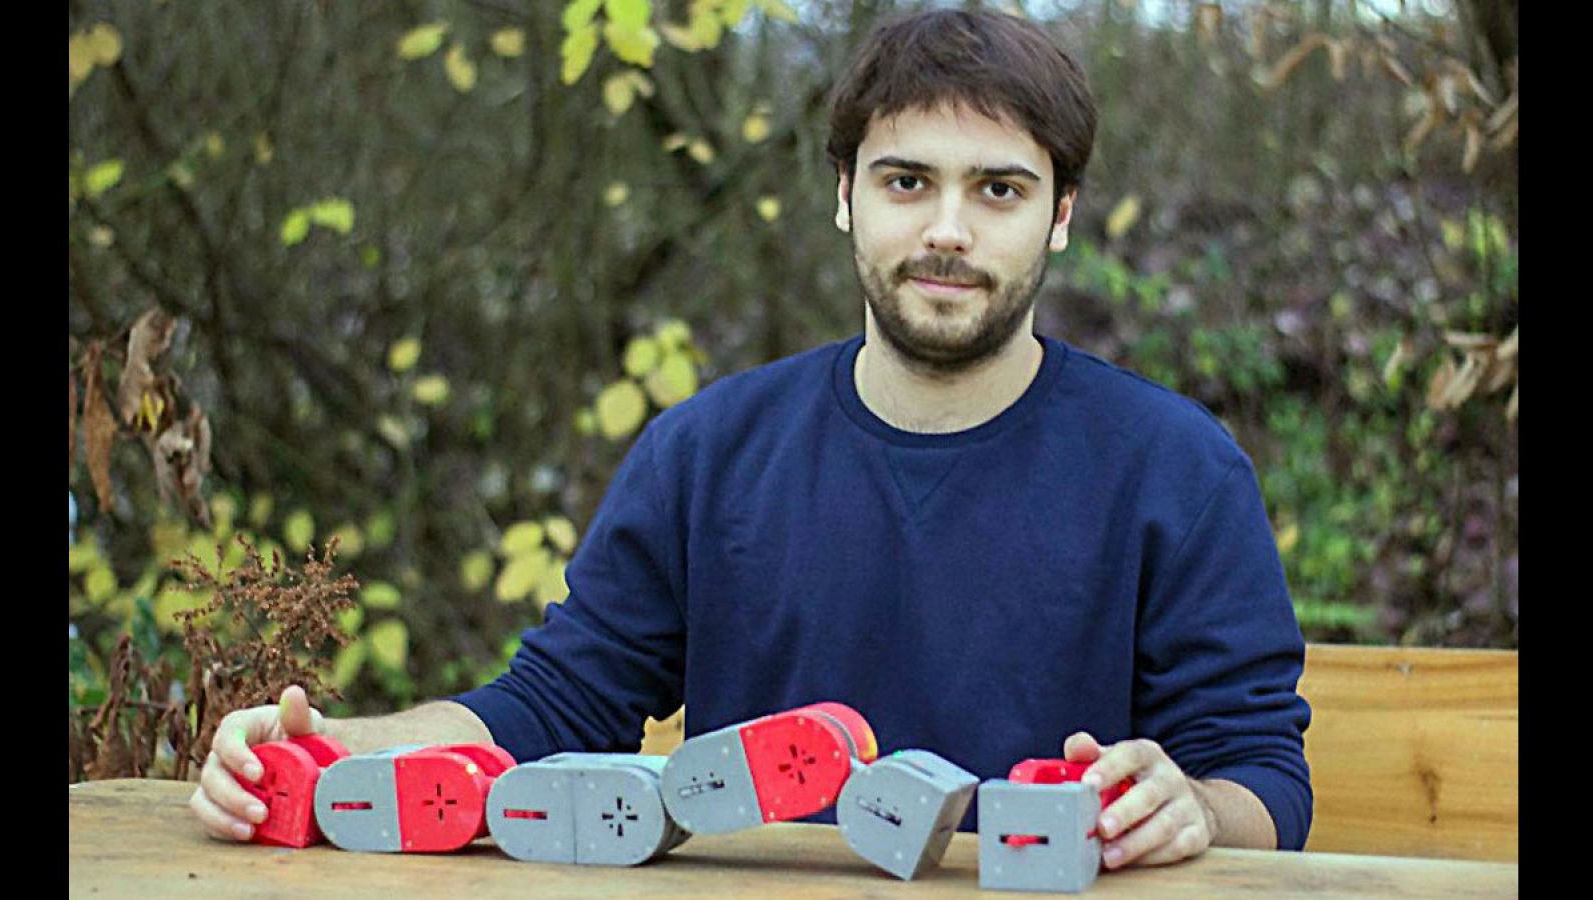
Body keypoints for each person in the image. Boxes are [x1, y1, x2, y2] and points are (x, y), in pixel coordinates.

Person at [191, 8, 1311, 870]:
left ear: (1060, 213)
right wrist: (331, 750)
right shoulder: (709, 453)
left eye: (1001, 189)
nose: (947, 229)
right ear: (844, 195)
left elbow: (1264, 782)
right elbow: (550, 708)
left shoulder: (1173, 469)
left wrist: (1188, 807)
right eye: (906, 181)